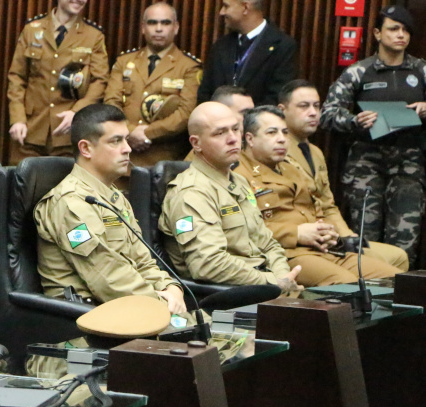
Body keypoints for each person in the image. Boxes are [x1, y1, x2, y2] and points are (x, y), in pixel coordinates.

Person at [34, 103, 186, 313]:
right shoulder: (71, 202)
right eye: (116, 141)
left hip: (129, 308)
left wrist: (171, 288)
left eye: (126, 138)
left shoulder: (113, 198)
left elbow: (143, 261)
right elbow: (106, 277)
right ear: (86, 148)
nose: (128, 148)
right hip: (88, 318)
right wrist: (160, 304)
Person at [233, 106, 400, 286]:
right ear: (250, 139)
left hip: (324, 249)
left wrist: (327, 232)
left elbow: (317, 207)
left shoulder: (292, 168)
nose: (282, 139)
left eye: (285, 132)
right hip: (286, 253)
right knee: (348, 286)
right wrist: (296, 233)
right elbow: (244, 228)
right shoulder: (239, 174)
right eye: (272, 133)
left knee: (396, 281)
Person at [320, 5, 426, 266]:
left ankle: (399, 299)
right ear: (378, 33)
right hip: (365, 164)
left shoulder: (421, 70)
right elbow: (327, 113)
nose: (400, 35)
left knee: (405, 240)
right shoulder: (359, 71)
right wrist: (354, 120)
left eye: (405, 30)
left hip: (409, 165)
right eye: (393, 29)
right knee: (364, 239)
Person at [160, 102, 301, 290]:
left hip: (262, 286)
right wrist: (272, 283)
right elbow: (208, 265)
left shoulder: (239, 182)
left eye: (236, 129)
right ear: (196, 143)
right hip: (227, 296)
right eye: (220, 133)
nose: (233, 139)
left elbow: (267, 244)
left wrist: (283, 277)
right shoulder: (192, 193)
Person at [278, 79, 408, 272]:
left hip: (330, 235)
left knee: (398, 256)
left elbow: (327, 204)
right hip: (302, 238)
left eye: (316, 106)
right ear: (282, 110)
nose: (313, 112)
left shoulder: (315, 152)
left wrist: (348, 237)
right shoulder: (276, 150)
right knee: (385, 273)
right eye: (303, 106)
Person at [6, 0, 109, 165]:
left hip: (68, 135)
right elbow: (17, 77)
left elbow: (100, 81)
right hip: (30, 130)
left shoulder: (93, 35)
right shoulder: (32, 30)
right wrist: (17, 118)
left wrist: (76, 112)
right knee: (22, 186)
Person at [104, 2, 201, 167]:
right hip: (122, 155)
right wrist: (129, 132)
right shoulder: (124, 62)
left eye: (165, 23)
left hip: (163, 160)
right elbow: (111, 103)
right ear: (142, 28)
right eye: (152, 23)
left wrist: (147, 133)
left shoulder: (189, 67)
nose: (158, 28)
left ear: (176, 27)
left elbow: (185, 114)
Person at [197, 0, 297, 106]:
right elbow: (205, 93)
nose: (222, 12)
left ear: (245, 8)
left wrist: (245, 119)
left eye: (226, 6)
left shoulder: (282, 46)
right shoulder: (221, 46)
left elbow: (278, 96)